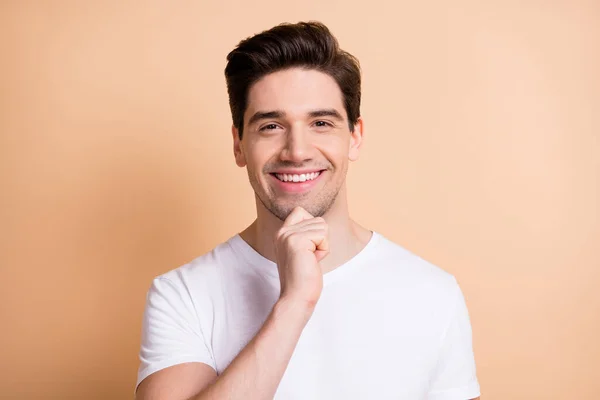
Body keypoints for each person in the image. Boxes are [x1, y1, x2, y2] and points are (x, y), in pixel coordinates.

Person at [134, 21, 481, 400]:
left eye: (320, 123)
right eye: (270, 126)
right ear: (238, 144)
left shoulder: (433, 294)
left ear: (355, 137)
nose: (297, 151)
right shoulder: (182, 295)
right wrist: (295, 303)